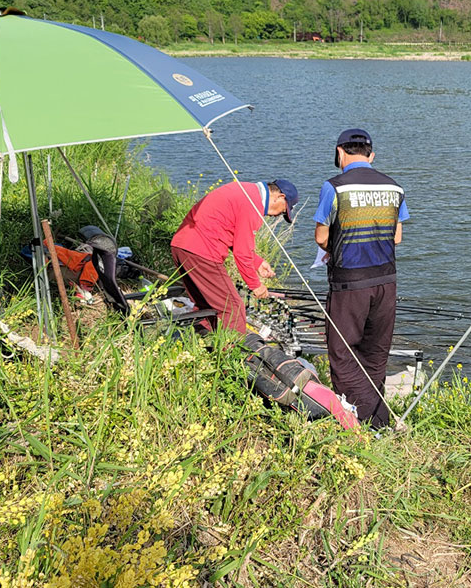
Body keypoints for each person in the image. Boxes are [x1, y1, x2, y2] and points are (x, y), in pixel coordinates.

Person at [314, 129, 408, 428]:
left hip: (349, 283)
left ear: (340, 153)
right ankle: (379, 420)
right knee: (376, 352)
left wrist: (336, 248)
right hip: (386, 280)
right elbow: (397, 238)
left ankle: (357, 422)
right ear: (371, 156)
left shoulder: (334, 187)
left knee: (342, 352)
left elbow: (321, 237)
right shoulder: (394, 187)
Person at [171, 179, 299, 335]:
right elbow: (242, 253)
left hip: (182, 247)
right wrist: (255, 285)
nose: (280, 215)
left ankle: (200, 345)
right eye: (284, 210)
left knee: (205, 306)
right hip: (202, 253)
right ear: (280, 197)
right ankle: (233, 355)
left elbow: (231, 234)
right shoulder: (253, 204)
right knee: (232, 308)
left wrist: (257, 263)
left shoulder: (248, 191)